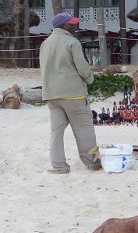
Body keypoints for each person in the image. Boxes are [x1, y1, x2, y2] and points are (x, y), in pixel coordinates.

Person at [40, 13, 102, 173]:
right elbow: (82, 67)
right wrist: (90, 79)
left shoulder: (45, 44)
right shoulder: (72, 42)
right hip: (73, 94)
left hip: (52, 95)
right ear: (62, 26)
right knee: (84, 129)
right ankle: (93, 163)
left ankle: (59, 166)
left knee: (56, 132)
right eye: (71, 24)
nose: (74, 26)